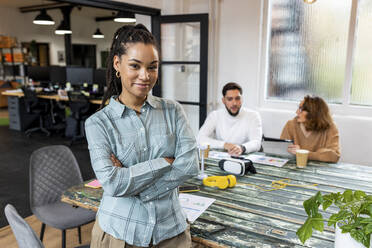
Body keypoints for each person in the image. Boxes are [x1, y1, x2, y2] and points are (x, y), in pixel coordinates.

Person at [85, 24, 199, 248]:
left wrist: (133, 181)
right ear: (117, 64)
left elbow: (189, 166)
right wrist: (164, 162)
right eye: (135, 66)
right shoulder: (98, 123)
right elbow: (113, 184)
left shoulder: (173, 111)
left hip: (171, 233)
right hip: (119, 235)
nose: (145, 76)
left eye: (152, 67)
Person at [197, 82, 262, 155]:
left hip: (245, 158)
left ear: (242, 99)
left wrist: (241, 148)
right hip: (223, 157)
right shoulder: (215, 115)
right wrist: (224, 145)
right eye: (230, 99)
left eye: (237, 98)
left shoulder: (253, 116)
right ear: (223, 101)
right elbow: (200, 139)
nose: (234, 103)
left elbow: (256, 143)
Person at [280, 95, 340, 163]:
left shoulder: (330, 128)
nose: (297, 112)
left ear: (313, 113)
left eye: (301, 109)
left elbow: (334, 156)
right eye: (298, 108)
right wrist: (319, 154)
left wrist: (302, 153)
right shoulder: (290, 125)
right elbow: (282, 151)